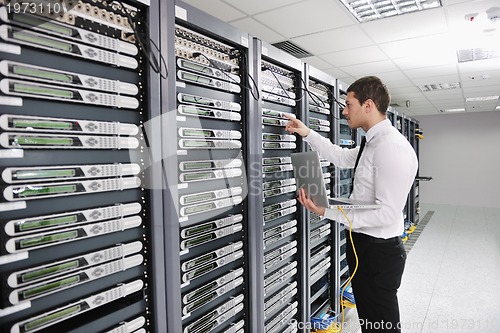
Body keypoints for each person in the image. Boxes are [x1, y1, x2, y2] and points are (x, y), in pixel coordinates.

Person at [285, 76, 418, 332]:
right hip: (364, 247)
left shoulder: (391, 147)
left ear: (368, 105)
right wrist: (308, 132)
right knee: (371, 323)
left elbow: (387, 214)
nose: (344, 111)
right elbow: (341, 157)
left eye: (348, 104)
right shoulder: (373, 142)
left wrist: (327, 211)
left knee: (382, 326)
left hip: (379, 253)